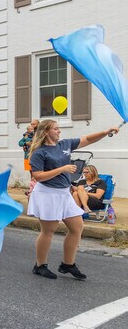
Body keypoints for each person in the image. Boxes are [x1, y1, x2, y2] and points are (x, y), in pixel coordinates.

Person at [27, 119, 119, 280]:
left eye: (58, 128)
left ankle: (67, 264)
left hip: (64, 193)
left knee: (77, 227)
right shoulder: (39, 152)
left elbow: (88, 139)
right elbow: (38, 176)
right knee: (48, 231)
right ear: (46, 132)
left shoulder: (65, 144)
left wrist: (105, 132)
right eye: (56, 129)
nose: (59, 131)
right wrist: (62, 168)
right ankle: (40, 265)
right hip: (48, 194)